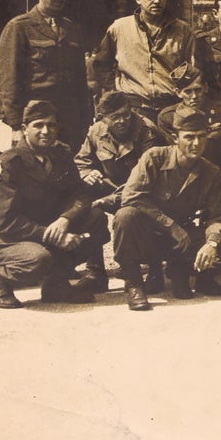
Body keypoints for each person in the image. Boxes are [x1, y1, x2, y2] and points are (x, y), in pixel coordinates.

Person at [0, 100, 106, 309]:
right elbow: (4, 222)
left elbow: (80, 194)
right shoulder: (8, 163)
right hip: (1, 237)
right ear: (25, 129)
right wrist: (50, 235)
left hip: (46, 227)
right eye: (38, 125)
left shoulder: (60, 155)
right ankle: (1, 280)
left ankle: (56, 285)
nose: (46, 131)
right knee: (38, 259)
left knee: (96, 219)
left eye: (52, 125)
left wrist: (65, 220)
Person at [112, 108, 221, 310]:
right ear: (175, 138)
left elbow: (217, 217)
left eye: (202, 137)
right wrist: (172, 227)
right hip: (150, 237)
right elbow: (131, 197)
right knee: (125, 216)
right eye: (189, 137)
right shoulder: (154, 158)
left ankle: (195, 274)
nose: (196, 143)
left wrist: (211, 243)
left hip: (181, 241)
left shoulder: (211, 172)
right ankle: (134, 284)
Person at [91, 0, 213, 125]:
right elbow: (101, 64)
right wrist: (116, 91)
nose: (157, 1)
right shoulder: (119, 28)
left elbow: (194, 70)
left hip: (171, 108)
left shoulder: (183, 31)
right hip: (134, 109)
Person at [72, 90, 164, 290]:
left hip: (145, 191)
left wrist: (112, 198)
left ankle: (155, 270)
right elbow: (80, 162)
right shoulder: (96, 132)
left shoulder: (146, 130)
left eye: (126, 114)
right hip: (111, 188)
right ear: (103, 119)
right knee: (87, 205)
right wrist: (87, 173)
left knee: (141, 213)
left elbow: (148, 176)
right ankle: (96, 270)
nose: (122, 121)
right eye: (115, 117)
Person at [0, 0, 93, 149]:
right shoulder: (19, 27)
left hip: (69, 118)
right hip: (36, 117)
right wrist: (16, 124)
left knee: (68, 169)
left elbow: (81, 80)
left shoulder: (71, 29)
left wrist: (85, 120)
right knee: (33, 171)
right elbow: (8, 78)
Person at [158, 68, 221, 241]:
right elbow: (169, 157)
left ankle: (220, 248)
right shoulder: (167, 118)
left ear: (206, 88)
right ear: (178, 92)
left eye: (198, 90)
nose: (194, 96)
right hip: (183, 183)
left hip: (219, 179)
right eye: (188, 91)